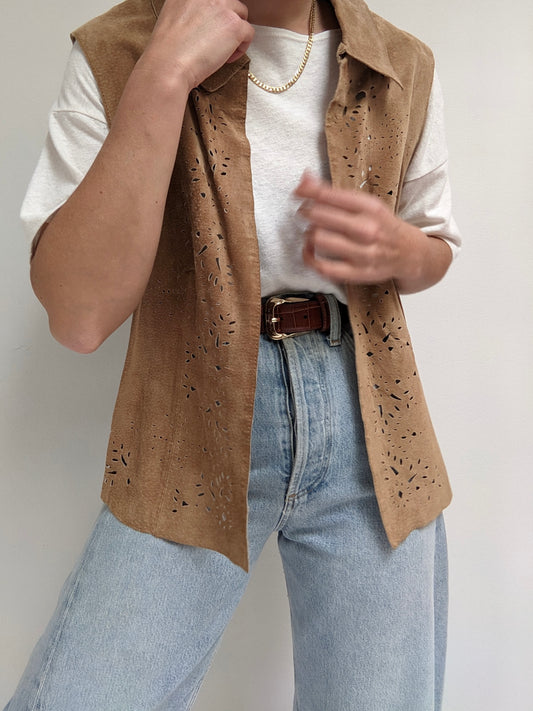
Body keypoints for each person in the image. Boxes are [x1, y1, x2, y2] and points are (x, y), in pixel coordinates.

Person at [7, 0, 461, 709]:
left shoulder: (399, 63)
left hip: (373, 419)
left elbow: (434, 244)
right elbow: (79, 315)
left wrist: (402, 253)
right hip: (190, 411)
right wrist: (162, 77)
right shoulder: (118, 48)